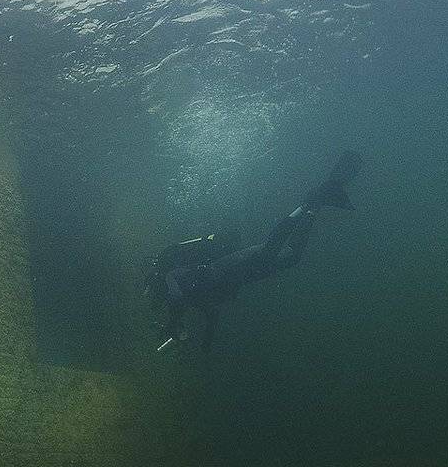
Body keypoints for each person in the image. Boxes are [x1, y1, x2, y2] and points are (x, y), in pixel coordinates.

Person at [145, 151, 362, 352]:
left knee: (269, 250)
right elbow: (211, 314)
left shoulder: (170, 278)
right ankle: (314, 207)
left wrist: (173, 323)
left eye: (154, 297)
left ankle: (306, 204)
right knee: (292, 257)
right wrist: (205, 344)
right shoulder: (192, 299)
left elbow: (175, 294)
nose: (157, 301)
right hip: (243, 277)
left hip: (228, 267)